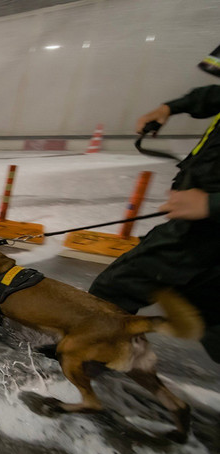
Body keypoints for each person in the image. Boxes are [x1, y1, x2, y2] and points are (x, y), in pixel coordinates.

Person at [89, 45, 220, 363]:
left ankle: (81, 369)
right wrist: (169, 108)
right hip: (202, 226)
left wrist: (211, 204)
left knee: (115, 289)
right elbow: (211, 96)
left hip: (204, 232)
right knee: (210, 310)